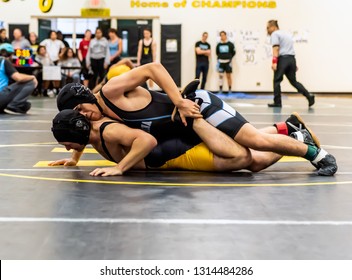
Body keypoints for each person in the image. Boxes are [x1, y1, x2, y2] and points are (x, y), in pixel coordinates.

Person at [56, 63, 338, 176]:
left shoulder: (110, 92)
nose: (84, 117)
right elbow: (83, 131)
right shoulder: (94, 115)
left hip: (197, 105)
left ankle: (319, 156)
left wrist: (179, 99)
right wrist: (75, 157)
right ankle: (293, 132)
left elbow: (153, 68)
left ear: (84, 100)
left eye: (81, 111)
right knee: (251, 157)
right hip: (188, 122)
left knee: (253, 140)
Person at [267, 20, 315, 108]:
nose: (267, 30)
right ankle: (309, 95)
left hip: (283, 59)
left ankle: (277, 102)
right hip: (291, 59)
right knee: (293, 81)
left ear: (273, 27)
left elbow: (276, 49)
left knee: (277, 81)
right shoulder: (287, 34)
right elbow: (290, 49)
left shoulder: (275, 34)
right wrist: (293, 64)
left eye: (268, 28)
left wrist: (274, 62)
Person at [0, 43, 37, 114]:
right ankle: (14, 105)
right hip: (1, 97)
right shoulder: (4, 61)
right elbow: (18, 78)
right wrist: (32, 77)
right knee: (30, 81)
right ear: (10, 54)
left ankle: (12, 105)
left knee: (26, 105)